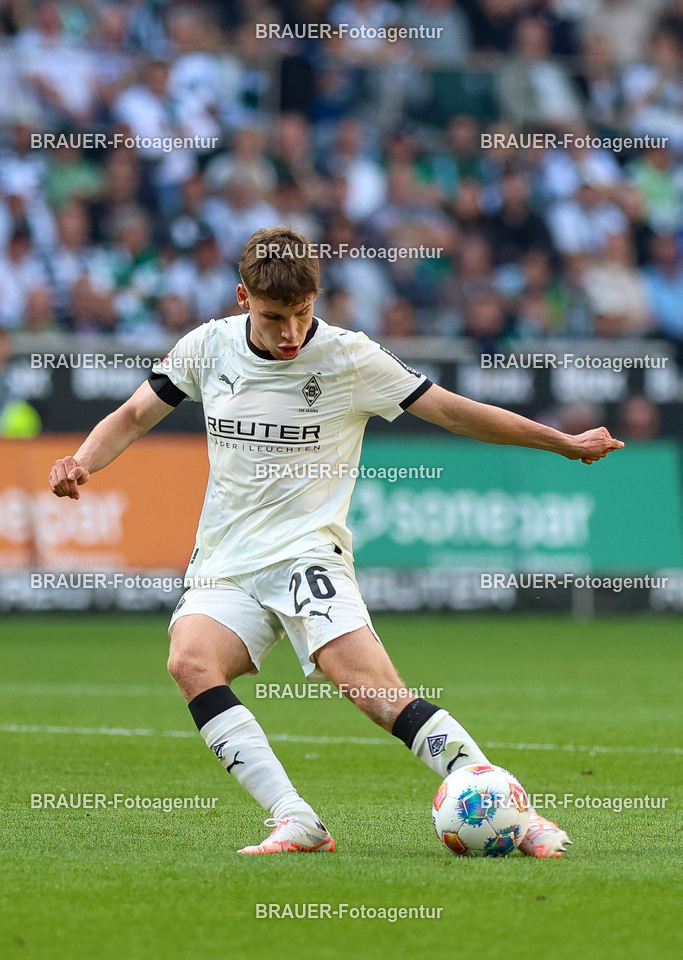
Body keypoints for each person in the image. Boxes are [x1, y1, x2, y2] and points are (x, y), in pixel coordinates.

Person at [49, 227, 624, 857]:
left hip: (306, 555)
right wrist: (81, 461)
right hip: (224, 562)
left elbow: (455, 411)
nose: (291, 333)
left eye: (302, 314)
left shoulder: (351, 358)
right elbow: (132, 417)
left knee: (372, 691)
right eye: (274, 318)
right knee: (190, 663)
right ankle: (296, 818)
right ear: (244, 298)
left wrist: (560, 441)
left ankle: (519, 812)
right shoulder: (206, 348)